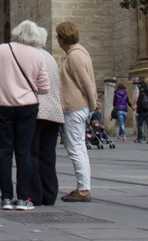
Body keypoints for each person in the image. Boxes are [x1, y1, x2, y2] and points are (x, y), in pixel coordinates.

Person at [0, 19, 49, 212]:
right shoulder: (37, 55)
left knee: (4, 152)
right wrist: (28, 88)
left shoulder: (0, 50)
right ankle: (23, 199)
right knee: (24, 153)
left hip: (2, 106)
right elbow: (44, 87)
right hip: (27, 107)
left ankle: (6, 198)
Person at [56, 21, 97, 203]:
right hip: (79, 106)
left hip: (75, 106)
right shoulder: (79, 53)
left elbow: (85, 82)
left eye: (58, 37)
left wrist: (93, 102)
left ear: (63, 38)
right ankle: (83, 187)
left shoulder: (75, 56)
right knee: (78, 147)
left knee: (76, 148)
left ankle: (82, 189)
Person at [26, 23, 63, 207]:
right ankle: (50, 193)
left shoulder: (32, 56)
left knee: (32, 154)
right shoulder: (49, 56)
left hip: (38, 110)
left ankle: (35, 194)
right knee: (48, 155)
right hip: (55, 112)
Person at [134, 78, 148, 144]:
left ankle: (139, 138)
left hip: (142, 112)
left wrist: (137, 111)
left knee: (139, 125)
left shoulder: (142, 94)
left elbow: (139, 103)